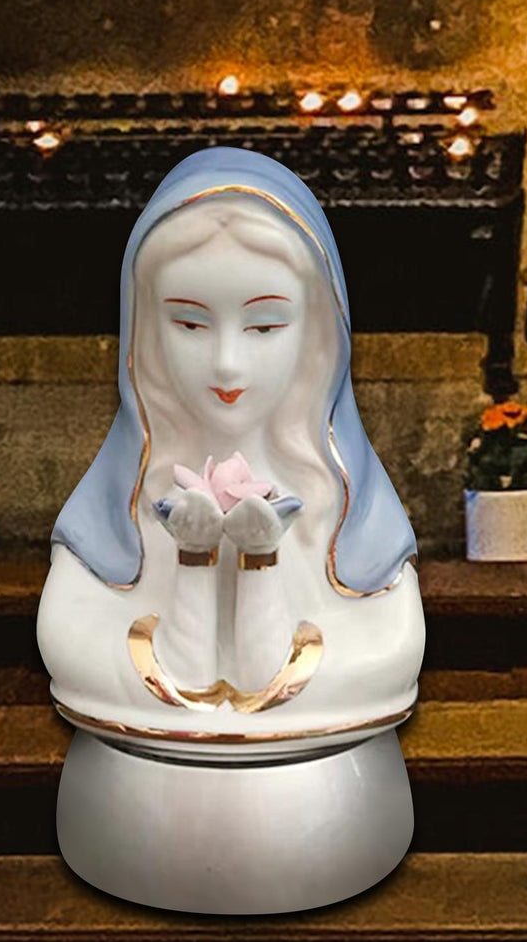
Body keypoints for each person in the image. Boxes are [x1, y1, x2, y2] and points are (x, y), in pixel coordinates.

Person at [37, 146, 424, 752]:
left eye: (265, 326)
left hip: (325, 788)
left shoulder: (343, 502)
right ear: (145, 330)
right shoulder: (123, 496)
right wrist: (184, 615)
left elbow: (394, 649)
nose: (226, 364)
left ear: (317, 332)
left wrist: (268, 622)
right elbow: (67, 641)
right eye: (190, 324)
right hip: (136, 786)